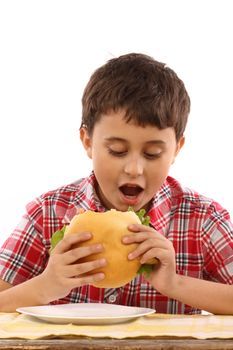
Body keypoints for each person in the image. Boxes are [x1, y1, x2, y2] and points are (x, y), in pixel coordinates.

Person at [0, 53, 233, 314]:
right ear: (87, 141)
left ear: (176, 148)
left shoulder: (202, 219)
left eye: (152, 154)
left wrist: (175, 283)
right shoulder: (48, 214)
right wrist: (46, 285)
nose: (134, 169)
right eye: (117, 151)